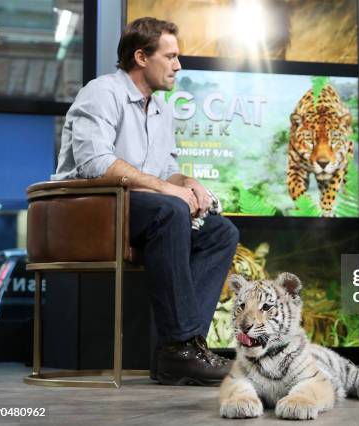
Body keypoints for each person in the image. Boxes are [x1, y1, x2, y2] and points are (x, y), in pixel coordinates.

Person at [52, 17, 239, 386]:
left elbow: (166, 169)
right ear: (141, 57)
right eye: (170, 57)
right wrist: (168, 190)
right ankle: (181, 346)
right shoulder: (101, 92)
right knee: (170, 210)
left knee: (220, 231)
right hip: (91, 208)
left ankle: (181, 350)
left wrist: (188, 183)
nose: (178, 65)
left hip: (140, 210)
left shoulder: (161, 109)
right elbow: (94, 164)